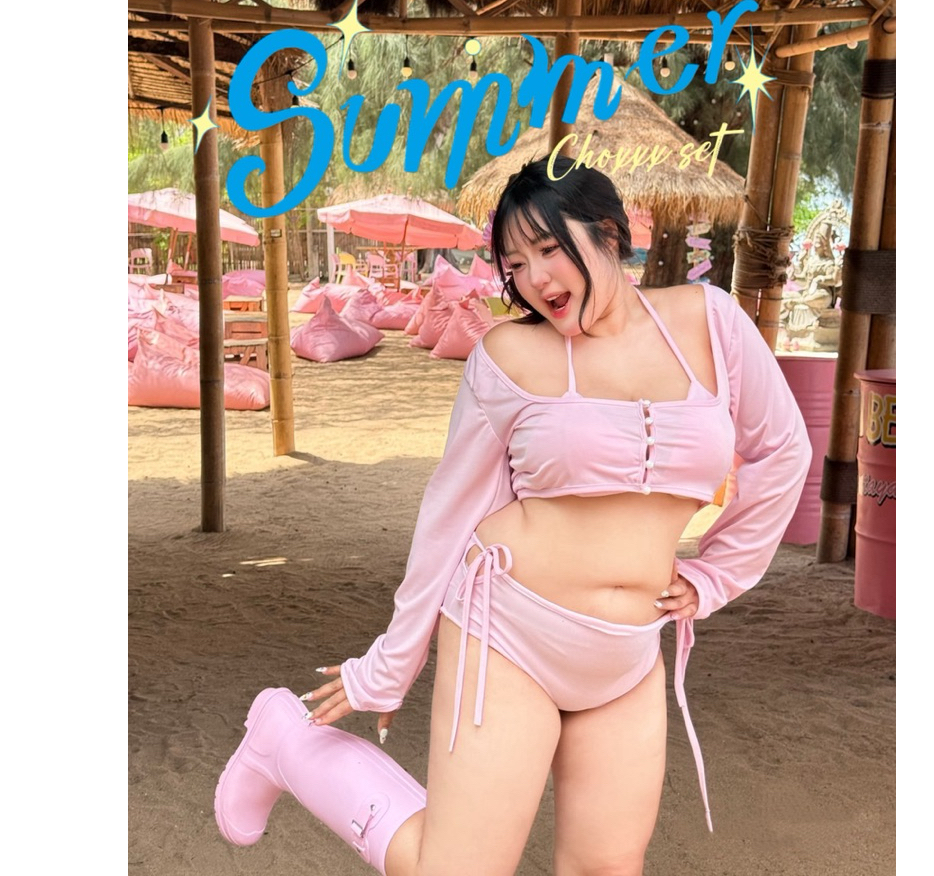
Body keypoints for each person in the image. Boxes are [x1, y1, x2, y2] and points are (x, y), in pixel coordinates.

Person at [214, 158, 812, 876]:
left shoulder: (711, 322)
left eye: (549, 249)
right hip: (508, 632)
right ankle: (285, 741)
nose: (534, 279)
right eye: (516, 264)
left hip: (626, 655)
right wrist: (392, 664)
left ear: (610, 233)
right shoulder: (508, 355)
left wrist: (718, 573)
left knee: (606, 869)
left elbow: (783, 449)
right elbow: (449, 513)